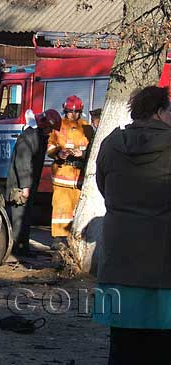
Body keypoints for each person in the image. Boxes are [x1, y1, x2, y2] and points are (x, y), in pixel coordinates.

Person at [93, 86, 171, 364]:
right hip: (163, 261)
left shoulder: (112, 143)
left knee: (123, 344)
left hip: (119, 257)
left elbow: (103, 187)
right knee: (162, 344)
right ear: (160, 112)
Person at [6, 109, 62, 255]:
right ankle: (17, 249)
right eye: (50, 128)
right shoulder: (29, 137)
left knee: (26, 217)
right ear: (44, 124)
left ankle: (23, 247)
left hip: (29, 184)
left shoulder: (38, 137)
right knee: (19, 217)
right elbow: (23, 163)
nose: (50, 132)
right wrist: (25, 186)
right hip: (20, 186)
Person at [46, 95, 93, 249]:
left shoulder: (87, 128)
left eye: (76, 112)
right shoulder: (57, 126)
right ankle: (58, 239)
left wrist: (83, 154)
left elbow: (92, 150)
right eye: (69, 112)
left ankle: (76, 240)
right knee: (61, 208)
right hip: (62, 175)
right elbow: (50, 147)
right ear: (64, 110)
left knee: (76, 211)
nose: (72, 115)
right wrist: (59, 153)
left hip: (79, 176)